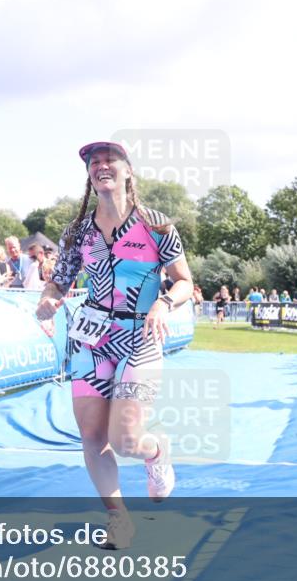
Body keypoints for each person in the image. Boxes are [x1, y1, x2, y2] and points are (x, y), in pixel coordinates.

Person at [34, 141, 192, 550]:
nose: (101, 166)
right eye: (94, 162)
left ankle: (156, 451)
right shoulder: (77, 232)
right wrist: (48, 298)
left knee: (124, 439)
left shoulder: (156, 225)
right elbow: (60, 280)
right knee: (91, 434)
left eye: (110, 160)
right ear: (89, 175)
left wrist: (163, 302)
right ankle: (118, 519)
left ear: (127, 171)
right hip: (91, 339)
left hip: (140, 337)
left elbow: (185, 282)